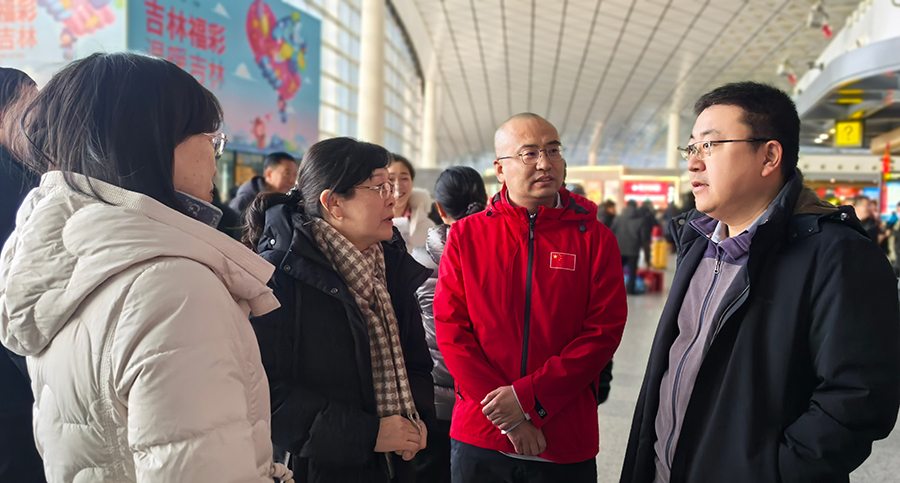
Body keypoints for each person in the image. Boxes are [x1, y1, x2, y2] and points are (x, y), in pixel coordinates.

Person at [0, 53, 292, 483]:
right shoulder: (173, 288)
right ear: (155, 142)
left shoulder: (69, 267)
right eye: (211, 139)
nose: (215, 158)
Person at [621, 82, 900, 483]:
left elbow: (857, 399)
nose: (693, 163)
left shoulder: (837, 255)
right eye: (691, 147)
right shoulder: (698, 242)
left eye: (710, 145)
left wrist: (770, 473)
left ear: (769, 156)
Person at [434, 113, 627, 482]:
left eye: (553, 150)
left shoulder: (595, 239)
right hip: (482, 433)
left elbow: (603, 332)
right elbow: (451, 330)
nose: (544, 163)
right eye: (529, 153)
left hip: (564, 434)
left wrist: (529, 400)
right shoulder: (466, 236)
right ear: (500, 169)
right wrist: (508, 417)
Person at [244, 137, 436, 483]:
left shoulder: (391, 265)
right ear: (334, 203)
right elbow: (264, 393)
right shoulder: (279, 275)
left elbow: (417, 363)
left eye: (392, 186)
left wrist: (416, 419)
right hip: (315, 469)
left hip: (399, 464)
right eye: (379, 187)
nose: (393, 197)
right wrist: (368, 434)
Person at [411, 166, 488, 483]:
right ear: (486, 202)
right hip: (488, 399)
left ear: (439, 209)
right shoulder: (500, 254)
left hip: (431, 398)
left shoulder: (417, 261)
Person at [0, 67, 45, 483]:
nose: (38, 118)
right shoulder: (13, 181)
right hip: (14, 368)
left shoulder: (24, 173)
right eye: (28, 105)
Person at [389, 153, 434, 252]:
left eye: (404, 178)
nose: (397, 185)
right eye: (391, 179)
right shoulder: (369, 225)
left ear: (412, 183)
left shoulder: (427, 227)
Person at [229, 151, 299, 215]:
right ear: (269, 174)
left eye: (295, 175)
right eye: (287, 174)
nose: (292, 181)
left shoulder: (291, 200)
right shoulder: (246, 200)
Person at [612, 199, 647, 294]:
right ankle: (630, 290)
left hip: (619, 248)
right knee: (632, 271)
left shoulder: (619, 218)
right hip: (633, 249)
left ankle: (615, 290)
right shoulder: (640, 220)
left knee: (617, 271)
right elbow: (643, 237)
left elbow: (611, 231)